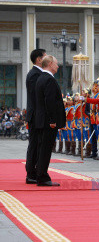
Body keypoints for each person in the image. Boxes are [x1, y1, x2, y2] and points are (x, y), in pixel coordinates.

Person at [35, 55, 66, 186]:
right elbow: (50, 101)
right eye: (56, 63)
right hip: (49, 122)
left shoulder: (41, 78)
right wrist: (53, 120)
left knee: (43, 148)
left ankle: (41, 174)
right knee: (46, 149)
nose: (58, 66)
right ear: (50, 64)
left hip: (42, 120)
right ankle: (42, 177)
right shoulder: (49, 80)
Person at [25, 48, 46, 184]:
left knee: (37, 144)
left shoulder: (37, 74)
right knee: (34, 144)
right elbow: (36, 97)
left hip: (37, 115)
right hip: (36, 116)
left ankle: (34, 171)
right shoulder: (34, 75)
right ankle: (31, 173)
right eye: (45, 57)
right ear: (39, 59)